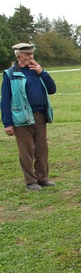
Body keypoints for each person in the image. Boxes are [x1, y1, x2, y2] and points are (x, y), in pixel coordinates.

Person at [1, 43, 57, 191]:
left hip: (40, 116)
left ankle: (43, 177)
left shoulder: (37, 71)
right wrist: (7, 123)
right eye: (27, 54)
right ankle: (30, 181)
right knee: (26, 151)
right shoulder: (10, 74)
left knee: (42, 149)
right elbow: (5, 99)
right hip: (21, 118)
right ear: (19, 55)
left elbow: (52, 89)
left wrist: (42, 72)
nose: (31, 57)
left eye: (32, 54)